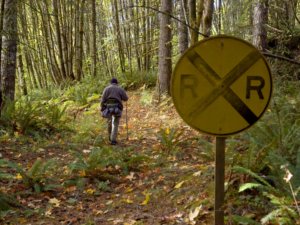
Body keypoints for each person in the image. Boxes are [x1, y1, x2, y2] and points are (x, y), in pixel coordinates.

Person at [100, 78, 128, 145]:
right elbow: (126, 98)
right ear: (117, 83)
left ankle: (109, 137)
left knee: (109, 122)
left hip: (108, 109)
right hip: (117, 109)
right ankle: (113, 140)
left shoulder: (106, 89)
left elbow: (102, 100)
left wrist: (102, 108)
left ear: (110, 83)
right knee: (115, 123)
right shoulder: (120, 89)